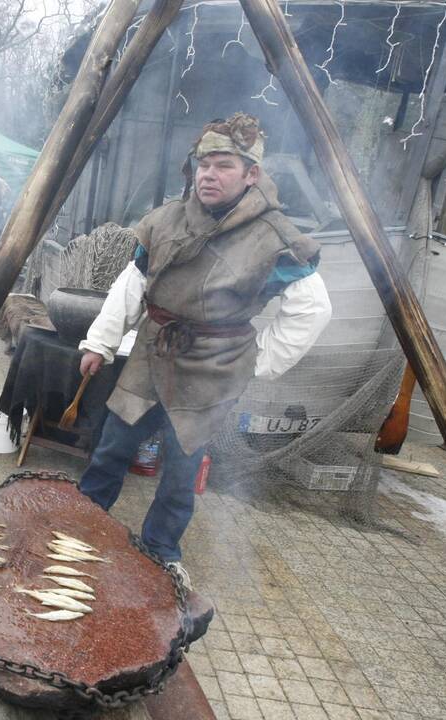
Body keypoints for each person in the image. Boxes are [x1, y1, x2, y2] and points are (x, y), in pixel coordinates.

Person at [76, 113, 332, 587]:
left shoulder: (275, 238)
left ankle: (158, 551)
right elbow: (133, 284)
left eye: (223, 166)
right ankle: (82, 525)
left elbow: (312, 309)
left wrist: (258, 362)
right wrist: (101, 342)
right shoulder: (169, 218)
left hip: (213, 369)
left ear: (251, 175)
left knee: (181, 468)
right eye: (203, 164)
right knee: (111, 447)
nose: (209, 175)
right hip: (152, 355)